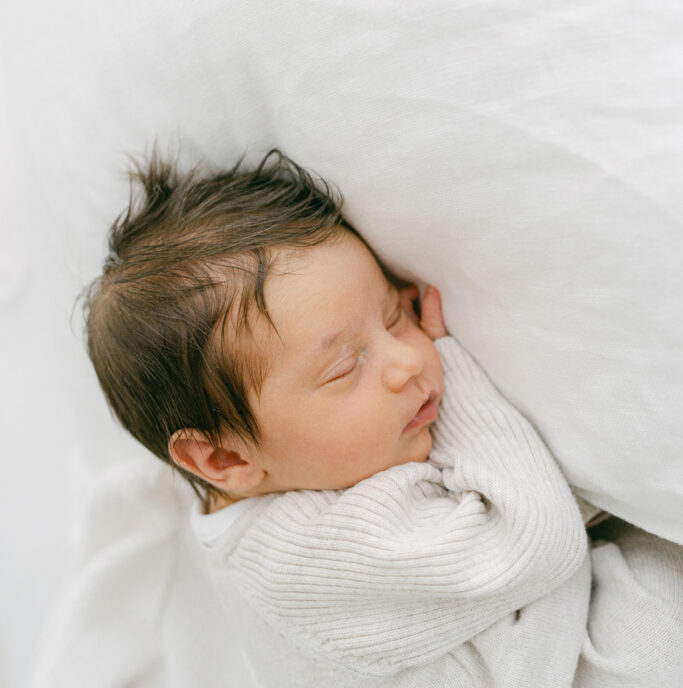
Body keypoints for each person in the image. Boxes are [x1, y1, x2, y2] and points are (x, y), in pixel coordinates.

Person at [84, 148, 683, 688]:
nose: (406, 358)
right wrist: (460, 374)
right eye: (345, 367)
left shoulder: (288, 461)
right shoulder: (306, 564)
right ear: (224, 459)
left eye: (396, 315)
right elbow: (532, 539)